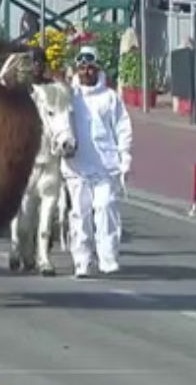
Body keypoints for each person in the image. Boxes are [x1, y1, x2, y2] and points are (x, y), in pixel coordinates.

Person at [63, 46, 133, 278]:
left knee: (105, 208)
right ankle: (82, 260)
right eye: (82, 68)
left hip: (105, 166)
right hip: (77, 166)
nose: (87, 72)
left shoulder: (110, 97)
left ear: (98, 69)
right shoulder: (69, 96)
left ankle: (108, 258)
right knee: (80, 214)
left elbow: (122, 128)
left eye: (91, 68)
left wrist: (125, 156)